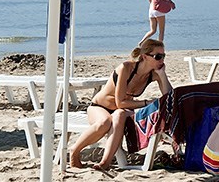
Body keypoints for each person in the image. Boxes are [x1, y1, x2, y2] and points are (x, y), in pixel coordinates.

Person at [70, 39, 172, 170]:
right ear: (145, 57)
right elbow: (120, 102)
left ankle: (105, 163)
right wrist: (146, 102)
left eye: (163, 56)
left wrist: (162, 75)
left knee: (119, 114)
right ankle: (75, 151)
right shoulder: (126, 68)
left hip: (122, 111)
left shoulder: (154, 74)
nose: (161, 60)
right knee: (105, 122)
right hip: (99, 107)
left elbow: (170, 97)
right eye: (158, 56)